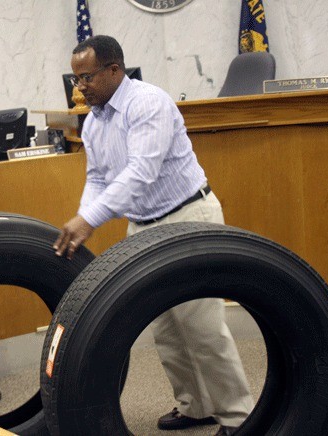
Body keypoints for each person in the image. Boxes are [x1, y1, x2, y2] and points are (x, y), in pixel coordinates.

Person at [53, 35, 254, 436]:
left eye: (87, 77)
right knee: (166, 329)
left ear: (114, 70)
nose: (80, 88)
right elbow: (97, 178)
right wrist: (82, 216)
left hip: (188, 218)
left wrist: (90, 219)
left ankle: (239, 418)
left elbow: (141, 173)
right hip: (142, 227)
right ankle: (196, 406)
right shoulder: (93, 123)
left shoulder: (148, 103)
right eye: (75, 80)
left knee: (201, 328)